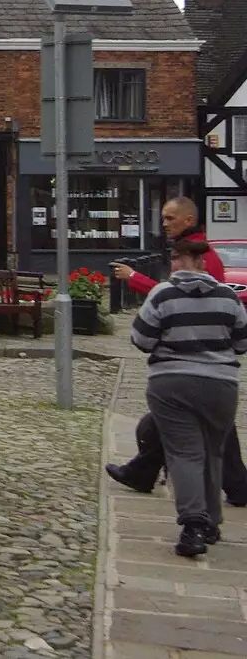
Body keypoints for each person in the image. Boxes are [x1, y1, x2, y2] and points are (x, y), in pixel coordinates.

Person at [107, 197, 242, 501]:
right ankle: (237, 486)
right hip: (205, 366)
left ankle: (148, 477)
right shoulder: (191, 249)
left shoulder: (200, 253)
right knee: (206, 427)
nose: (164, 223)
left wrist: (134, 278)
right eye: (164, 218)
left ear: (188, 220)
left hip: (196, 358)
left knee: (173, 420)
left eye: (170, 218)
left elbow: (180, 297)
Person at [130, 238, 247, 557]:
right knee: (213, 452)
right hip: (220, 385)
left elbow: (140, 339)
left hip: (172, 383)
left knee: (184, 452)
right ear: (204, 264)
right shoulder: (228, 297)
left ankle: (193, 524)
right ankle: (211, 522)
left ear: (178, 262)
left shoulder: (162, 294)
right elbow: (241, 343)